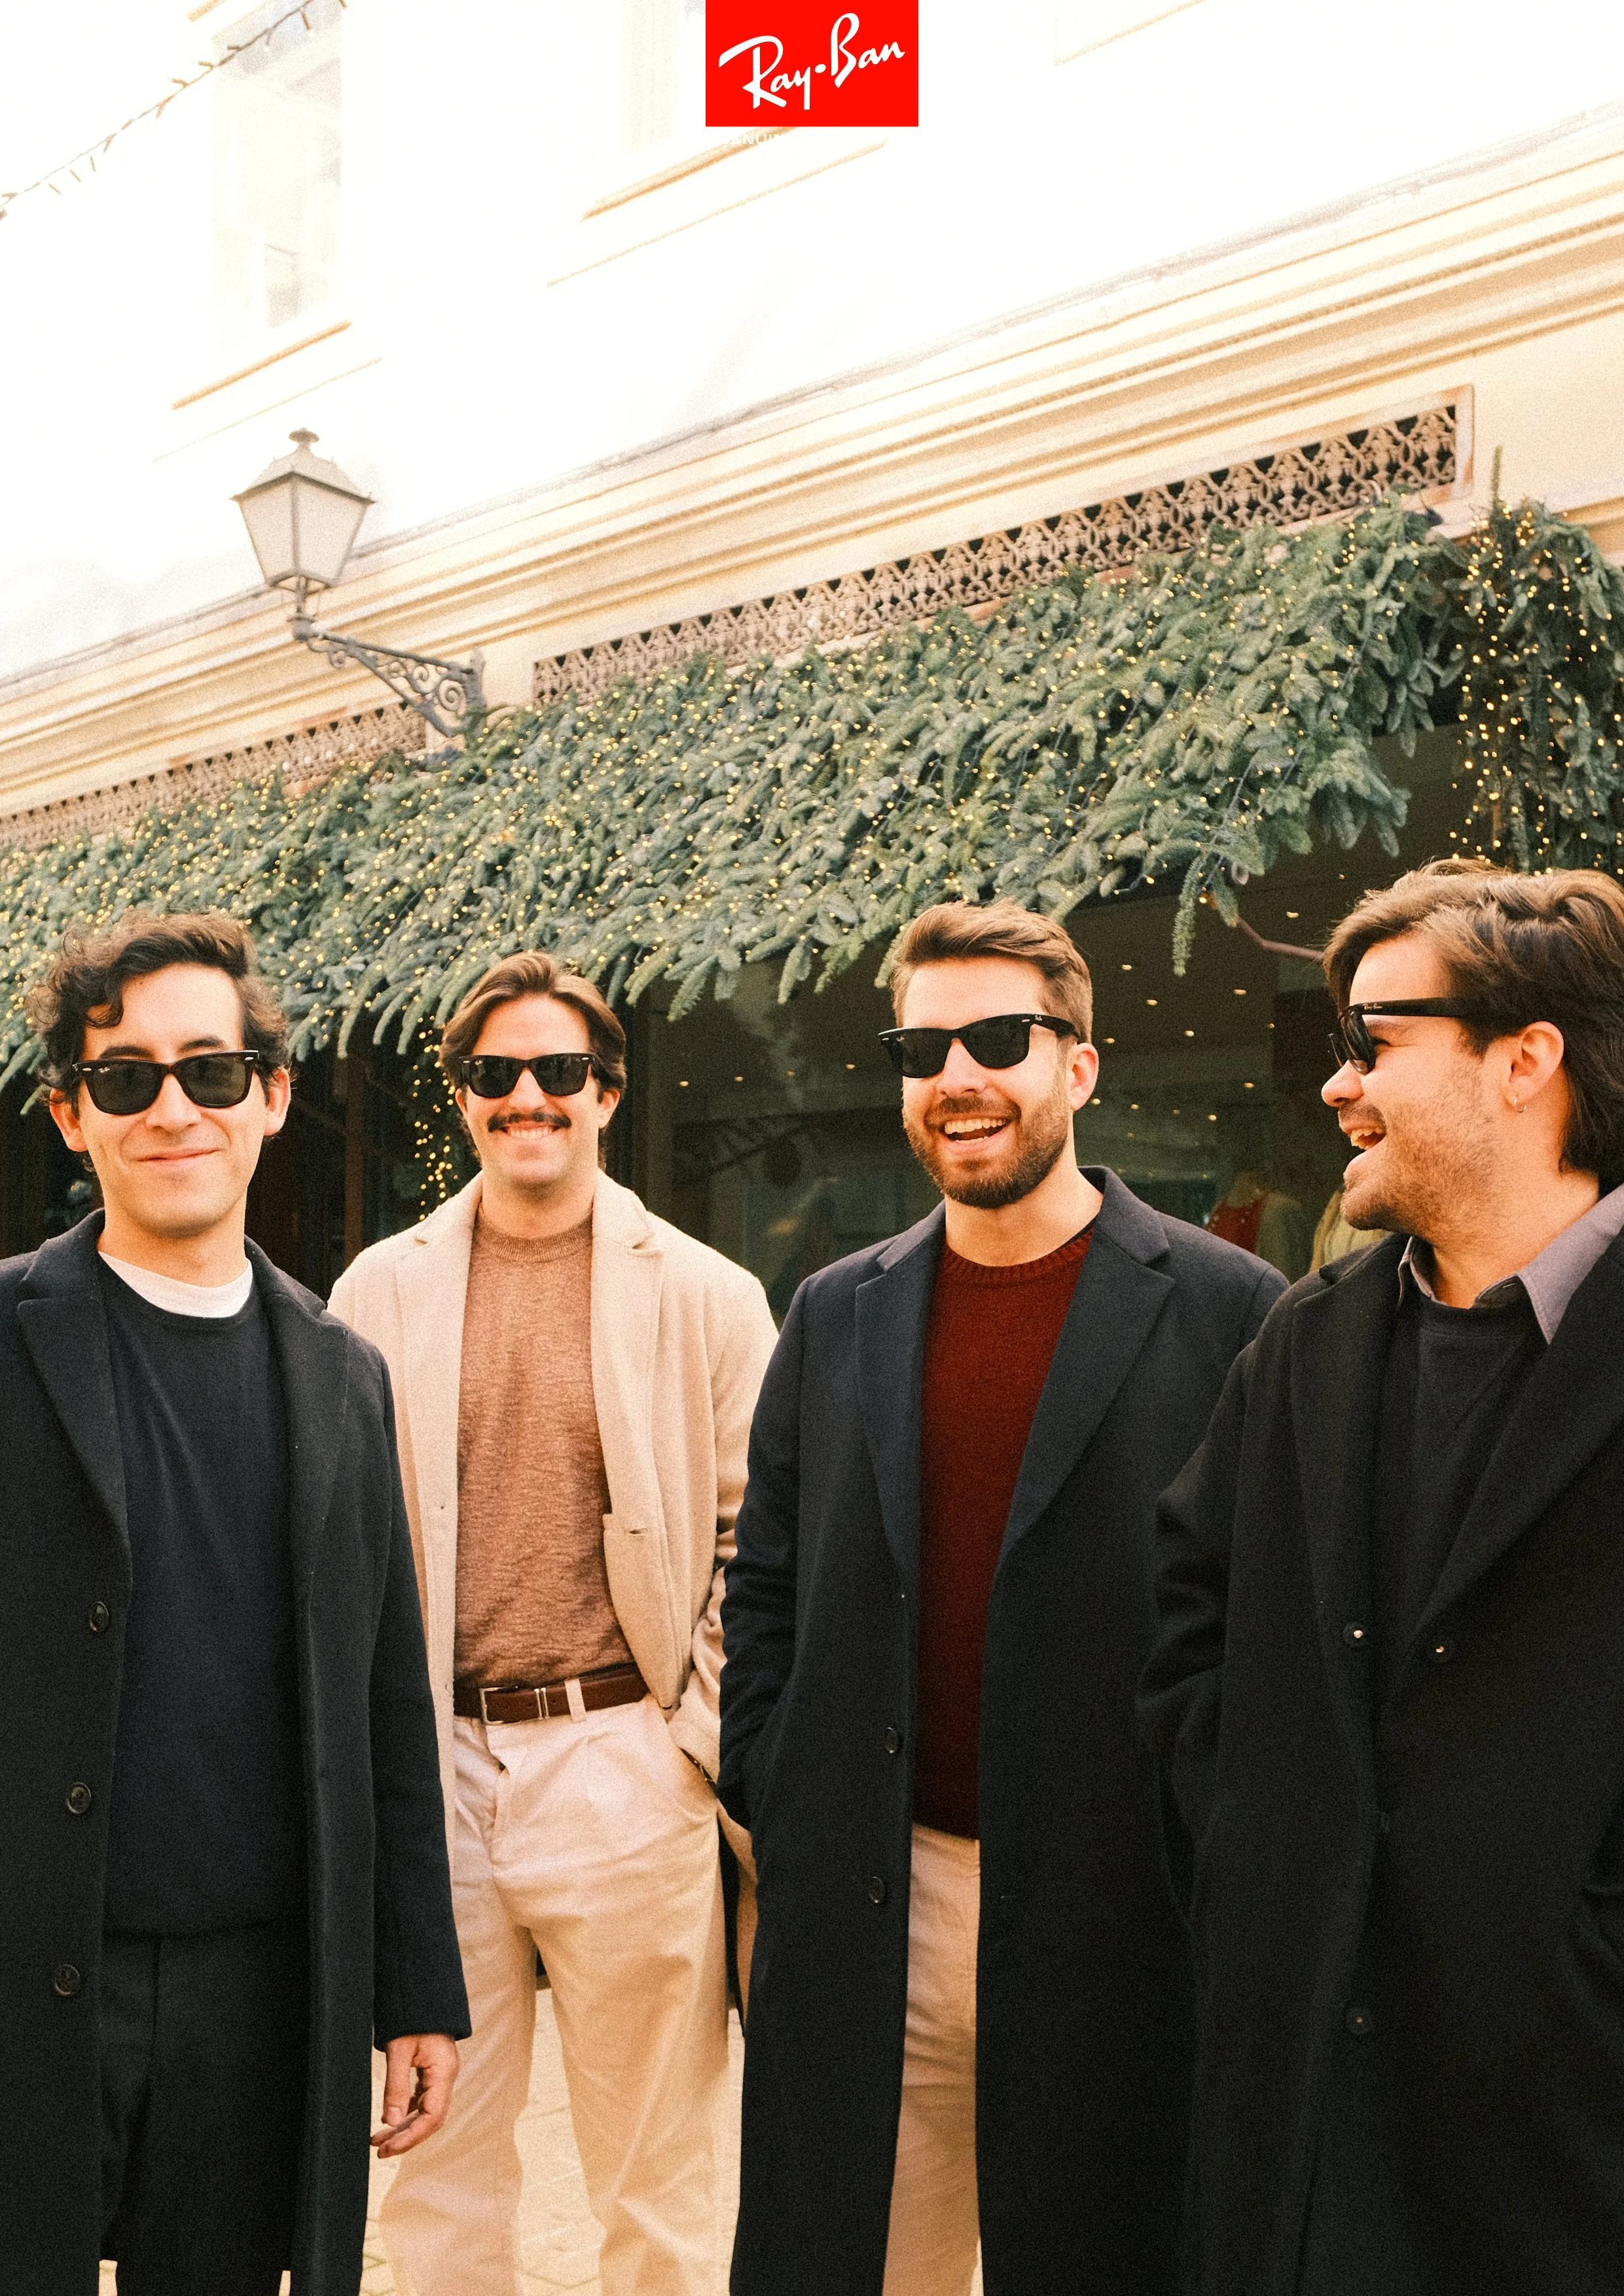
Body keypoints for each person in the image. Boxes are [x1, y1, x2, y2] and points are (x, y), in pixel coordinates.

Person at [719, 899, 1284, 2296]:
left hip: (1116, 1924)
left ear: (1080, 1066)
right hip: (866, 1904)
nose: (956, 1074)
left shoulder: (1231, 1309)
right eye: (924, 1046)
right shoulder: (836, 1309)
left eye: (997, 1038)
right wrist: (780, 1790)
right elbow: (770, 1584)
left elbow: (1268, 1619)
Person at [1141, 858, 1624, 2296]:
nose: (1337, 1084)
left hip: (1573, 2143)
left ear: (1525, 1058)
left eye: (1373, 1041)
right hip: (1307, 2131)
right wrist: (1257, 1866)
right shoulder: (1306, 1338)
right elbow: (1187, 1632)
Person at [4, 911, 467, 2296]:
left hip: (259, 1990)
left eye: (209, 1069)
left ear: (270, 1092)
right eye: (126, 1076)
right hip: (31, 1955)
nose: (172, 1108)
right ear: (71, 1114)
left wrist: (417, 1983)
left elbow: (386, 1691)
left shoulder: (340, 1371)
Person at [330, 950, 778, 2296]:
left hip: (622, 1758)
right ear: (463, 1096)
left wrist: (683, 1741)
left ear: (608, 1090)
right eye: (495, 1073)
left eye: (561, 1071)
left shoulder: (705, 1290)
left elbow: (755, 1539)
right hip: (437, 1770)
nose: (529, 1095)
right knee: (441, 2169)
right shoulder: (375, 1291)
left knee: (658, 2174)